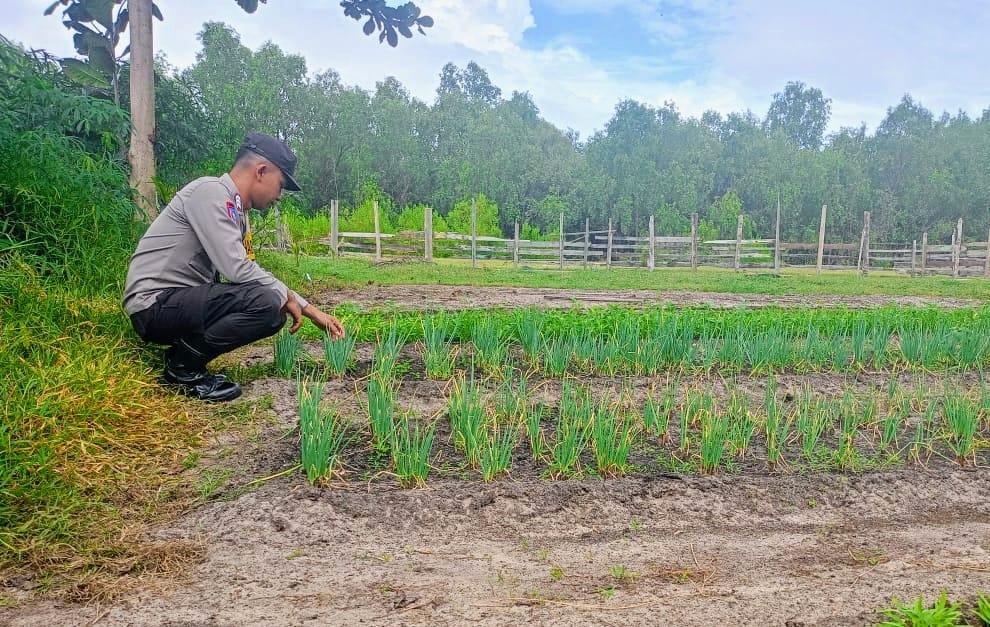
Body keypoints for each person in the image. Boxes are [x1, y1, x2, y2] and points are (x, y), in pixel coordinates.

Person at [123, 132, 345, 402]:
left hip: (175, 303)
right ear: (261, 171)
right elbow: (237, 269)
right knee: (267, 301)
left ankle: (184, 355)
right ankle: (182, 369)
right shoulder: (210, 192)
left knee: (272, 306)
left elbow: (245, 270)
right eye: (281, 185)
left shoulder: (235, 210)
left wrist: (299, 304)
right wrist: (306, 308)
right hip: (154, 305)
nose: (279, 196)